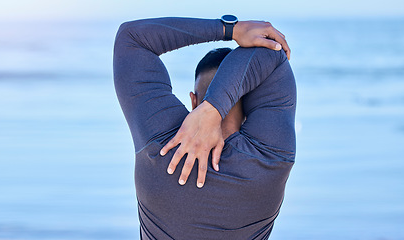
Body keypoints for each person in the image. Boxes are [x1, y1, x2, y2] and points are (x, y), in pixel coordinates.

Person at [113, 16, 296, 239]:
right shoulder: (271, 158)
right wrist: (215, 108)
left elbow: (131, 38)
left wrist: (230, 29)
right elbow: (273, 52)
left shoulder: (160, 144)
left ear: (193, 101)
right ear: (251, 103)